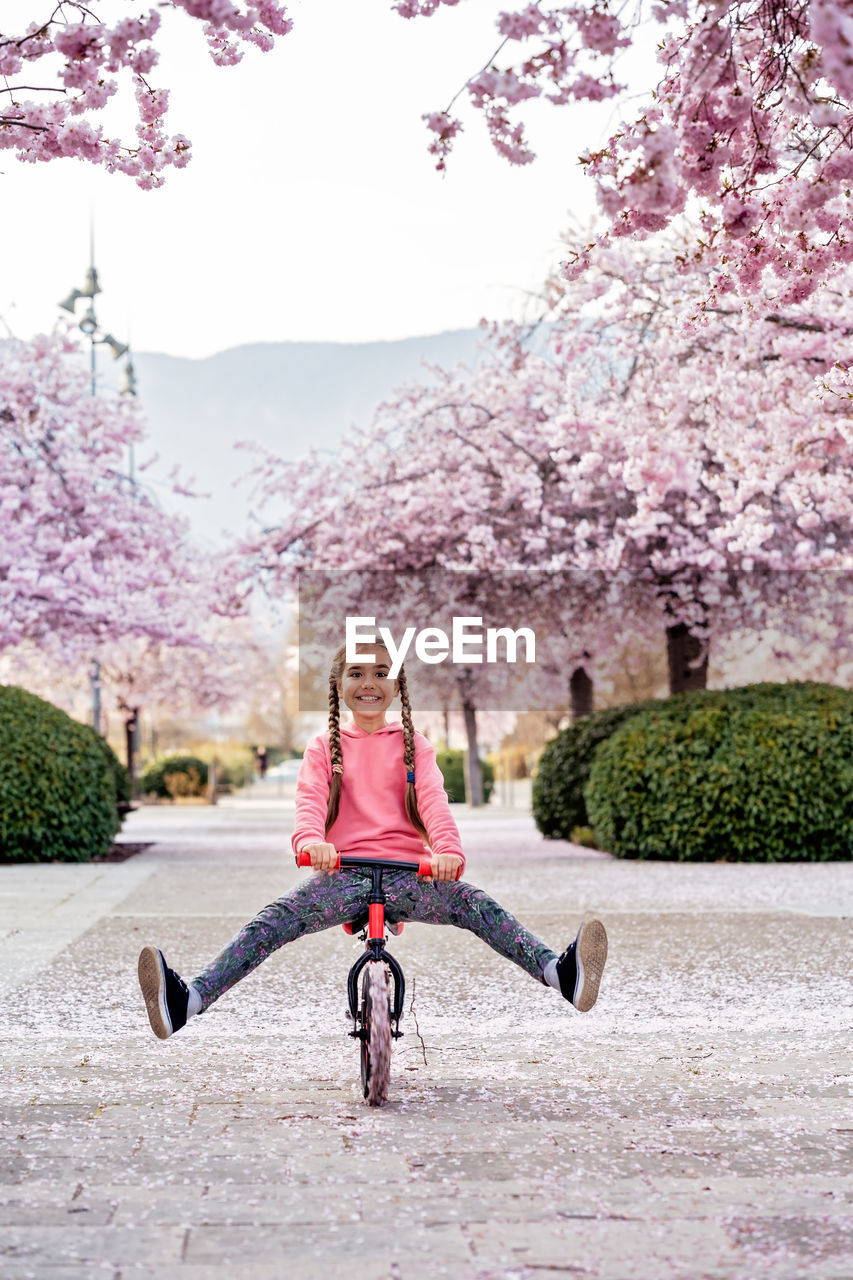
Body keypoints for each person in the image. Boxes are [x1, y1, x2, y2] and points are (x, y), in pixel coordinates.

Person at [137, 643, 608, 1040]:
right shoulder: (324, 747)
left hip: (410, 875)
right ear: (339, 685)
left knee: (478, 907)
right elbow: (309, 802)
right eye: (357, 673)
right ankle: (187, 1002)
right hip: (344, 873)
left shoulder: (413, 745)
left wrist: (449, 852)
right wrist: (310, 842)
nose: (369, 682)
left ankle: (560, 974)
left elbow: (433, 802)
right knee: (271, 924)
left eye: (382, 673)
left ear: (397, 685)